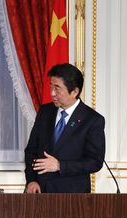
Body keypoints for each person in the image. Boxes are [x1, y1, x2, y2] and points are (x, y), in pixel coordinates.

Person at [24, 63, 105, 193]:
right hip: (39, 192)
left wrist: (60, 166)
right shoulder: (45, 111)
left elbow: (95, 162)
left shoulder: (92, 120)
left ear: (74, 92)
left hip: (72, 197)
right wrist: (31, 180)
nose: (52, 93)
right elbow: (31, 150)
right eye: (51, 87)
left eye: (57, 88)